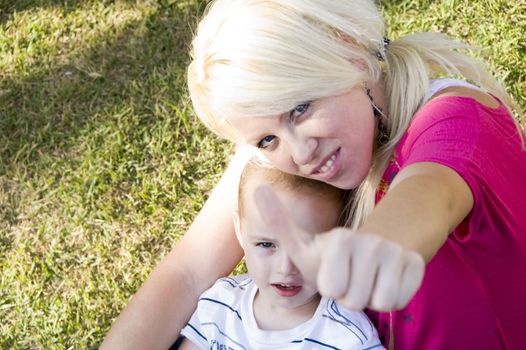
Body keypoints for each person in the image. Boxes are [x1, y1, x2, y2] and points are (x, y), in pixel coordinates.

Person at [101, 1, 526, 349]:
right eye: (267, 139)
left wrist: (373, 248)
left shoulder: (454, 119)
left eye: (301, 107)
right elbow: (188, 273)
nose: (301, 153)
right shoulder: (284, 146)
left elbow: (430, 192)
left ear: (348, 53)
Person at [177, 159, 384, 349]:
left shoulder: (349, 338)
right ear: (240, 231)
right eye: (266, 244)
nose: (286, 268)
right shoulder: (220, 305)